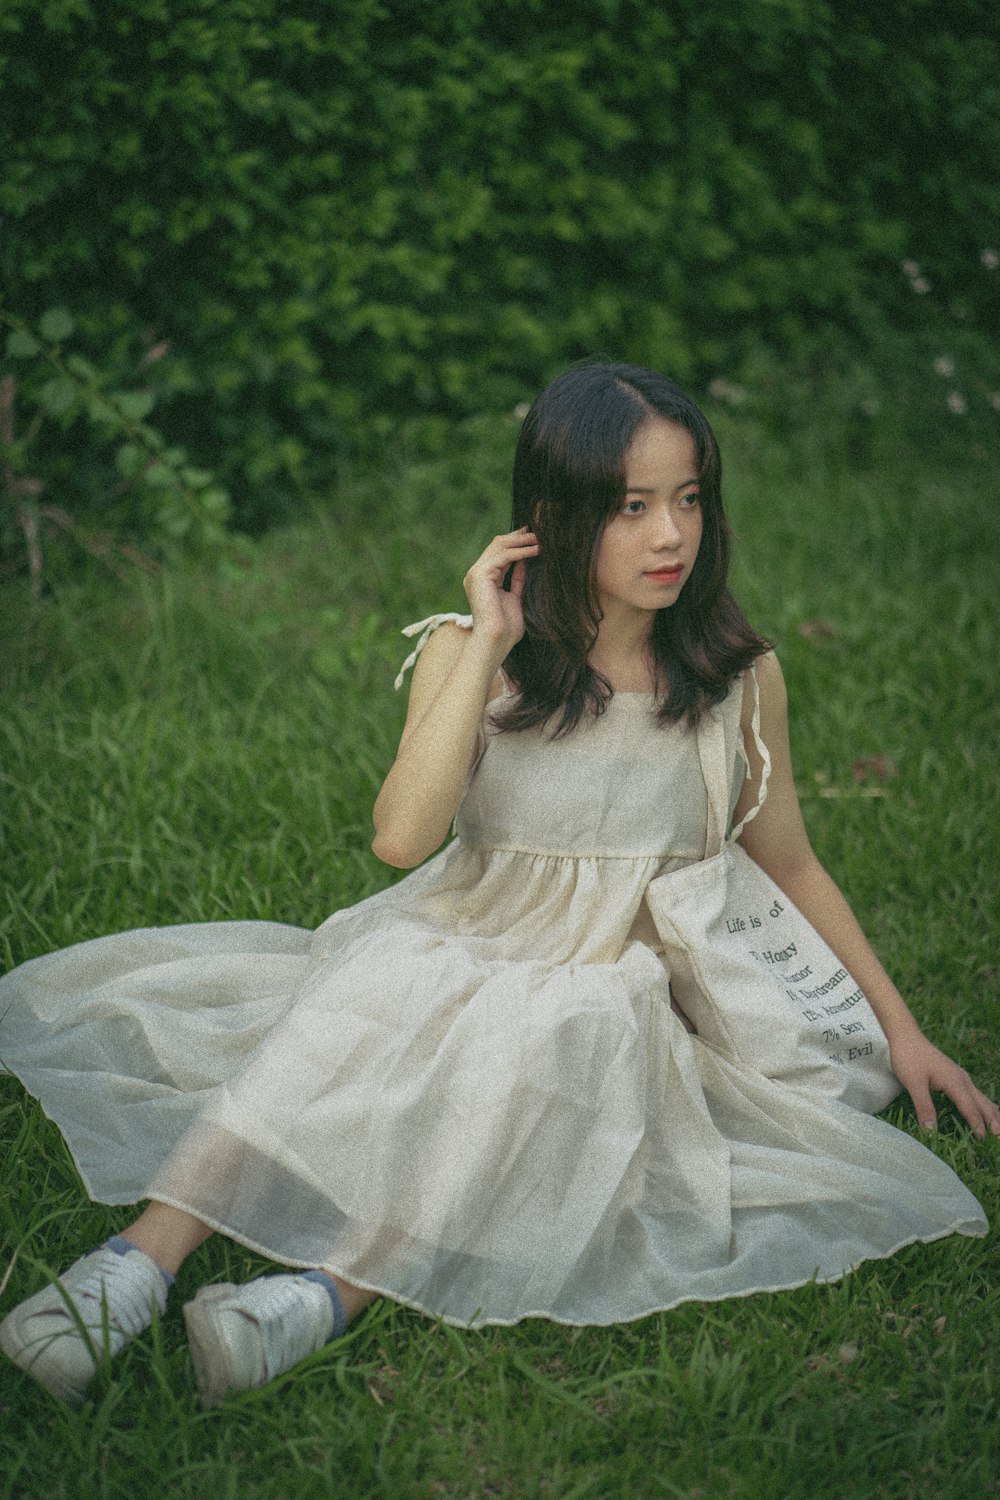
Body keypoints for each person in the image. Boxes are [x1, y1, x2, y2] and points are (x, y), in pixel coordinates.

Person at [0, 362, 995, 1410]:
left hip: (616, 973)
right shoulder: (472, 657)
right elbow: (401, 839)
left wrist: (902, 1029)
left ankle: (322, 1294)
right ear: (552, 518)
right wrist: (485, 647)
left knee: (549, 1043)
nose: (671, 536)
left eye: (689, 499)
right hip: (467, 924)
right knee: (370, 999)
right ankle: (140, 1259)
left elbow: (788, 860)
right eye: (632, 507)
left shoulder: (735, 677)